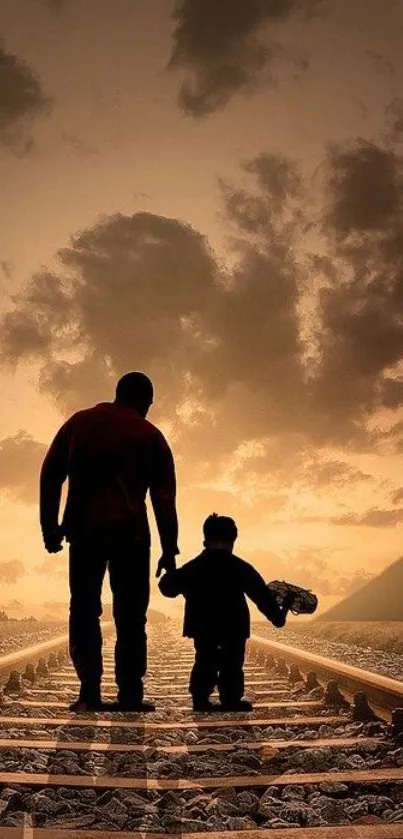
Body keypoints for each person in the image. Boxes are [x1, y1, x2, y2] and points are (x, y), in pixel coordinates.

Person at [40, 371, 179, 712]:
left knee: (84, 609)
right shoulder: (151, 435)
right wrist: (168, 549)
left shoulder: (78, 424)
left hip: (84, 532)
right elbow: (164, 498)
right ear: (146, 401)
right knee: (131, 616)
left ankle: (89, 692)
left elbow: (51, 474)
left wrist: (51, 527)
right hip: (131, 534)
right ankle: (130, 694)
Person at [159, 513, 290, 712]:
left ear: (205, 540)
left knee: (204, 660)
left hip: (202, 625)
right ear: (233, 540)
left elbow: (168, 589)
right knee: (232, 664)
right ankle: (231, 699)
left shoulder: (194, 567)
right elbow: (262, 596)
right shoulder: (241, 567)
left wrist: (170, 570)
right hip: (234, 626)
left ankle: (200, 699)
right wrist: (279, 614)